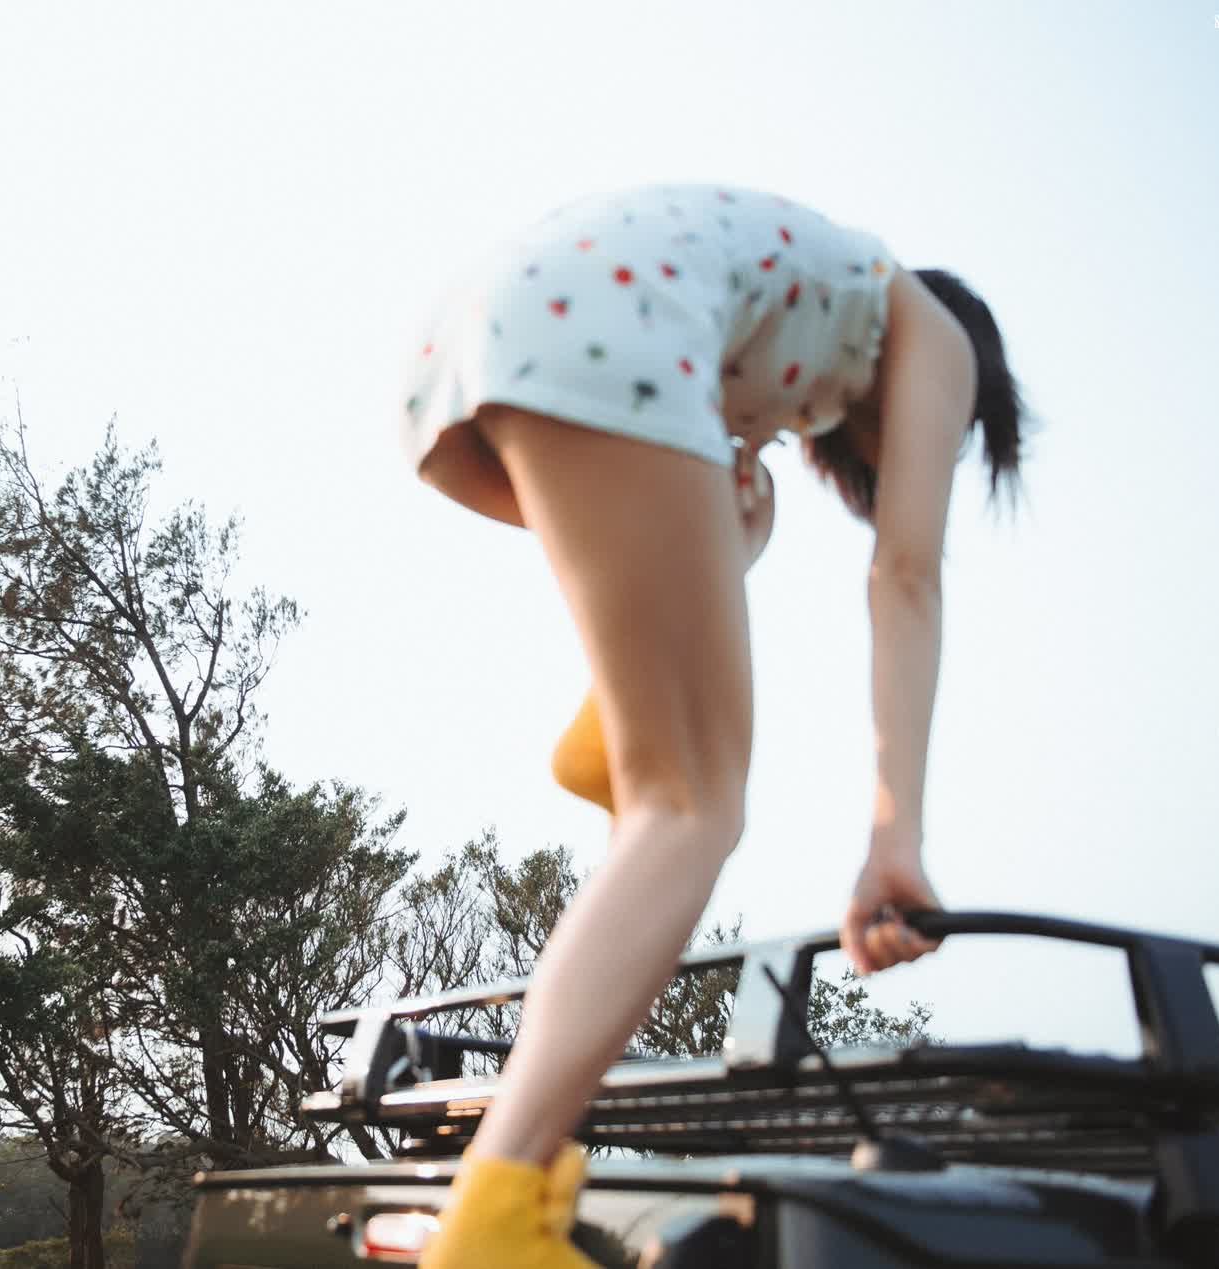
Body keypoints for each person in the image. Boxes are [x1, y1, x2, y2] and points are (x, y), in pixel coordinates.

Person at [395, 181, 1029, 1267]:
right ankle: (489, 1224)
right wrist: (895, 839)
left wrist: (739, 540)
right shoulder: (928, 326)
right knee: (693, 811)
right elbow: (907, 576)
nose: (922, 451)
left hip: (469, 356)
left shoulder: (783, 355)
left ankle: (615, 729)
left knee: (667, 797)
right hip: (599, 334)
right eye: (952, 436)